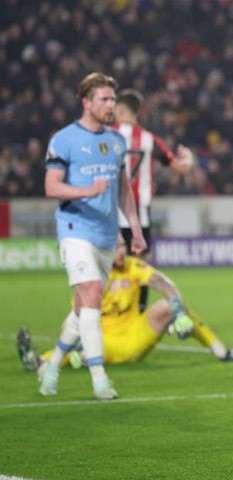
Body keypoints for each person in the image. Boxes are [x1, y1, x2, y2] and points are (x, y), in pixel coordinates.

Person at [42, 72, 145, 400]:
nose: (111, 105)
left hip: (105, 234)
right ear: (86, 102)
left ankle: (52, 364)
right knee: (91, 292)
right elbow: (51, 186)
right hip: (74, 229)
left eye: (113, 99)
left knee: (83, 308)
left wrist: (135, 228)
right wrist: (88, 190)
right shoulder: (64, 139)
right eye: (104, 99)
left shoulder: (116, 142)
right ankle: (99, 378)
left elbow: (123, 190)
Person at [16, 237, 233, 371]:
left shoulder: (132, 266)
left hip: (135, 335)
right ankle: (38, 362)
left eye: (122, 245)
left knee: (169, 306)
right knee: (82, 344)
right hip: (104, 341)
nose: (123, 250)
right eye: (117, 246)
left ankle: (222, 352)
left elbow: (163, 283)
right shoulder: (92, 275)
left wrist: (178, 310)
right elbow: (76, 317)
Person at [113, 89, 196, 310]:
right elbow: (181, 168)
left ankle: (110, 308)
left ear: (120, 110)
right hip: (140, 213)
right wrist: (189, 157)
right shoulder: (150, 140)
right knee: (140, 264)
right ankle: (138, 309)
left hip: (110, 211)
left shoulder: (105, 134)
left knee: (110, 261)